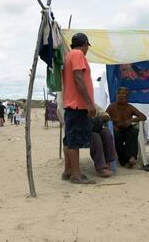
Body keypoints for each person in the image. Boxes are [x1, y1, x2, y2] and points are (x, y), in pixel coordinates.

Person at [61, 32, 96, 184]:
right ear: (85, 44)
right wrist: (89, 103)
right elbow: (78, 78)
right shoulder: (77, 54)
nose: (87, 49)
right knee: (74, 141)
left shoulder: (69, 55)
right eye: (87, 46)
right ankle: (75, 174)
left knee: (69, 139)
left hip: (72, 104)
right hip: (77, 105)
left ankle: (69, 171)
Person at [106, 87, 147, 168]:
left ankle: (132, 157)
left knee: (134, 132)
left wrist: (131, 120)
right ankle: (124, 161)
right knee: (117, 136)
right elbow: (105, 118)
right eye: (119, 93)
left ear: (127, 97)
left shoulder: (130, 107)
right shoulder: (111, 107)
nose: (121, 95)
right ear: (116, 95)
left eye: (123, 94)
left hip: (128, 128)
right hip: (116, 129)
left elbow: (143, 116)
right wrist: (113, 126)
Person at [89, 105, 117, 177]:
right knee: (95, 137)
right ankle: (101, 167)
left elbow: (104, 114)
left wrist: (104, 117)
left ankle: (107, 164)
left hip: (94, 127)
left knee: (106, 133)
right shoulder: (74, 104)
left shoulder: (90, 103)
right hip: (81, 131)